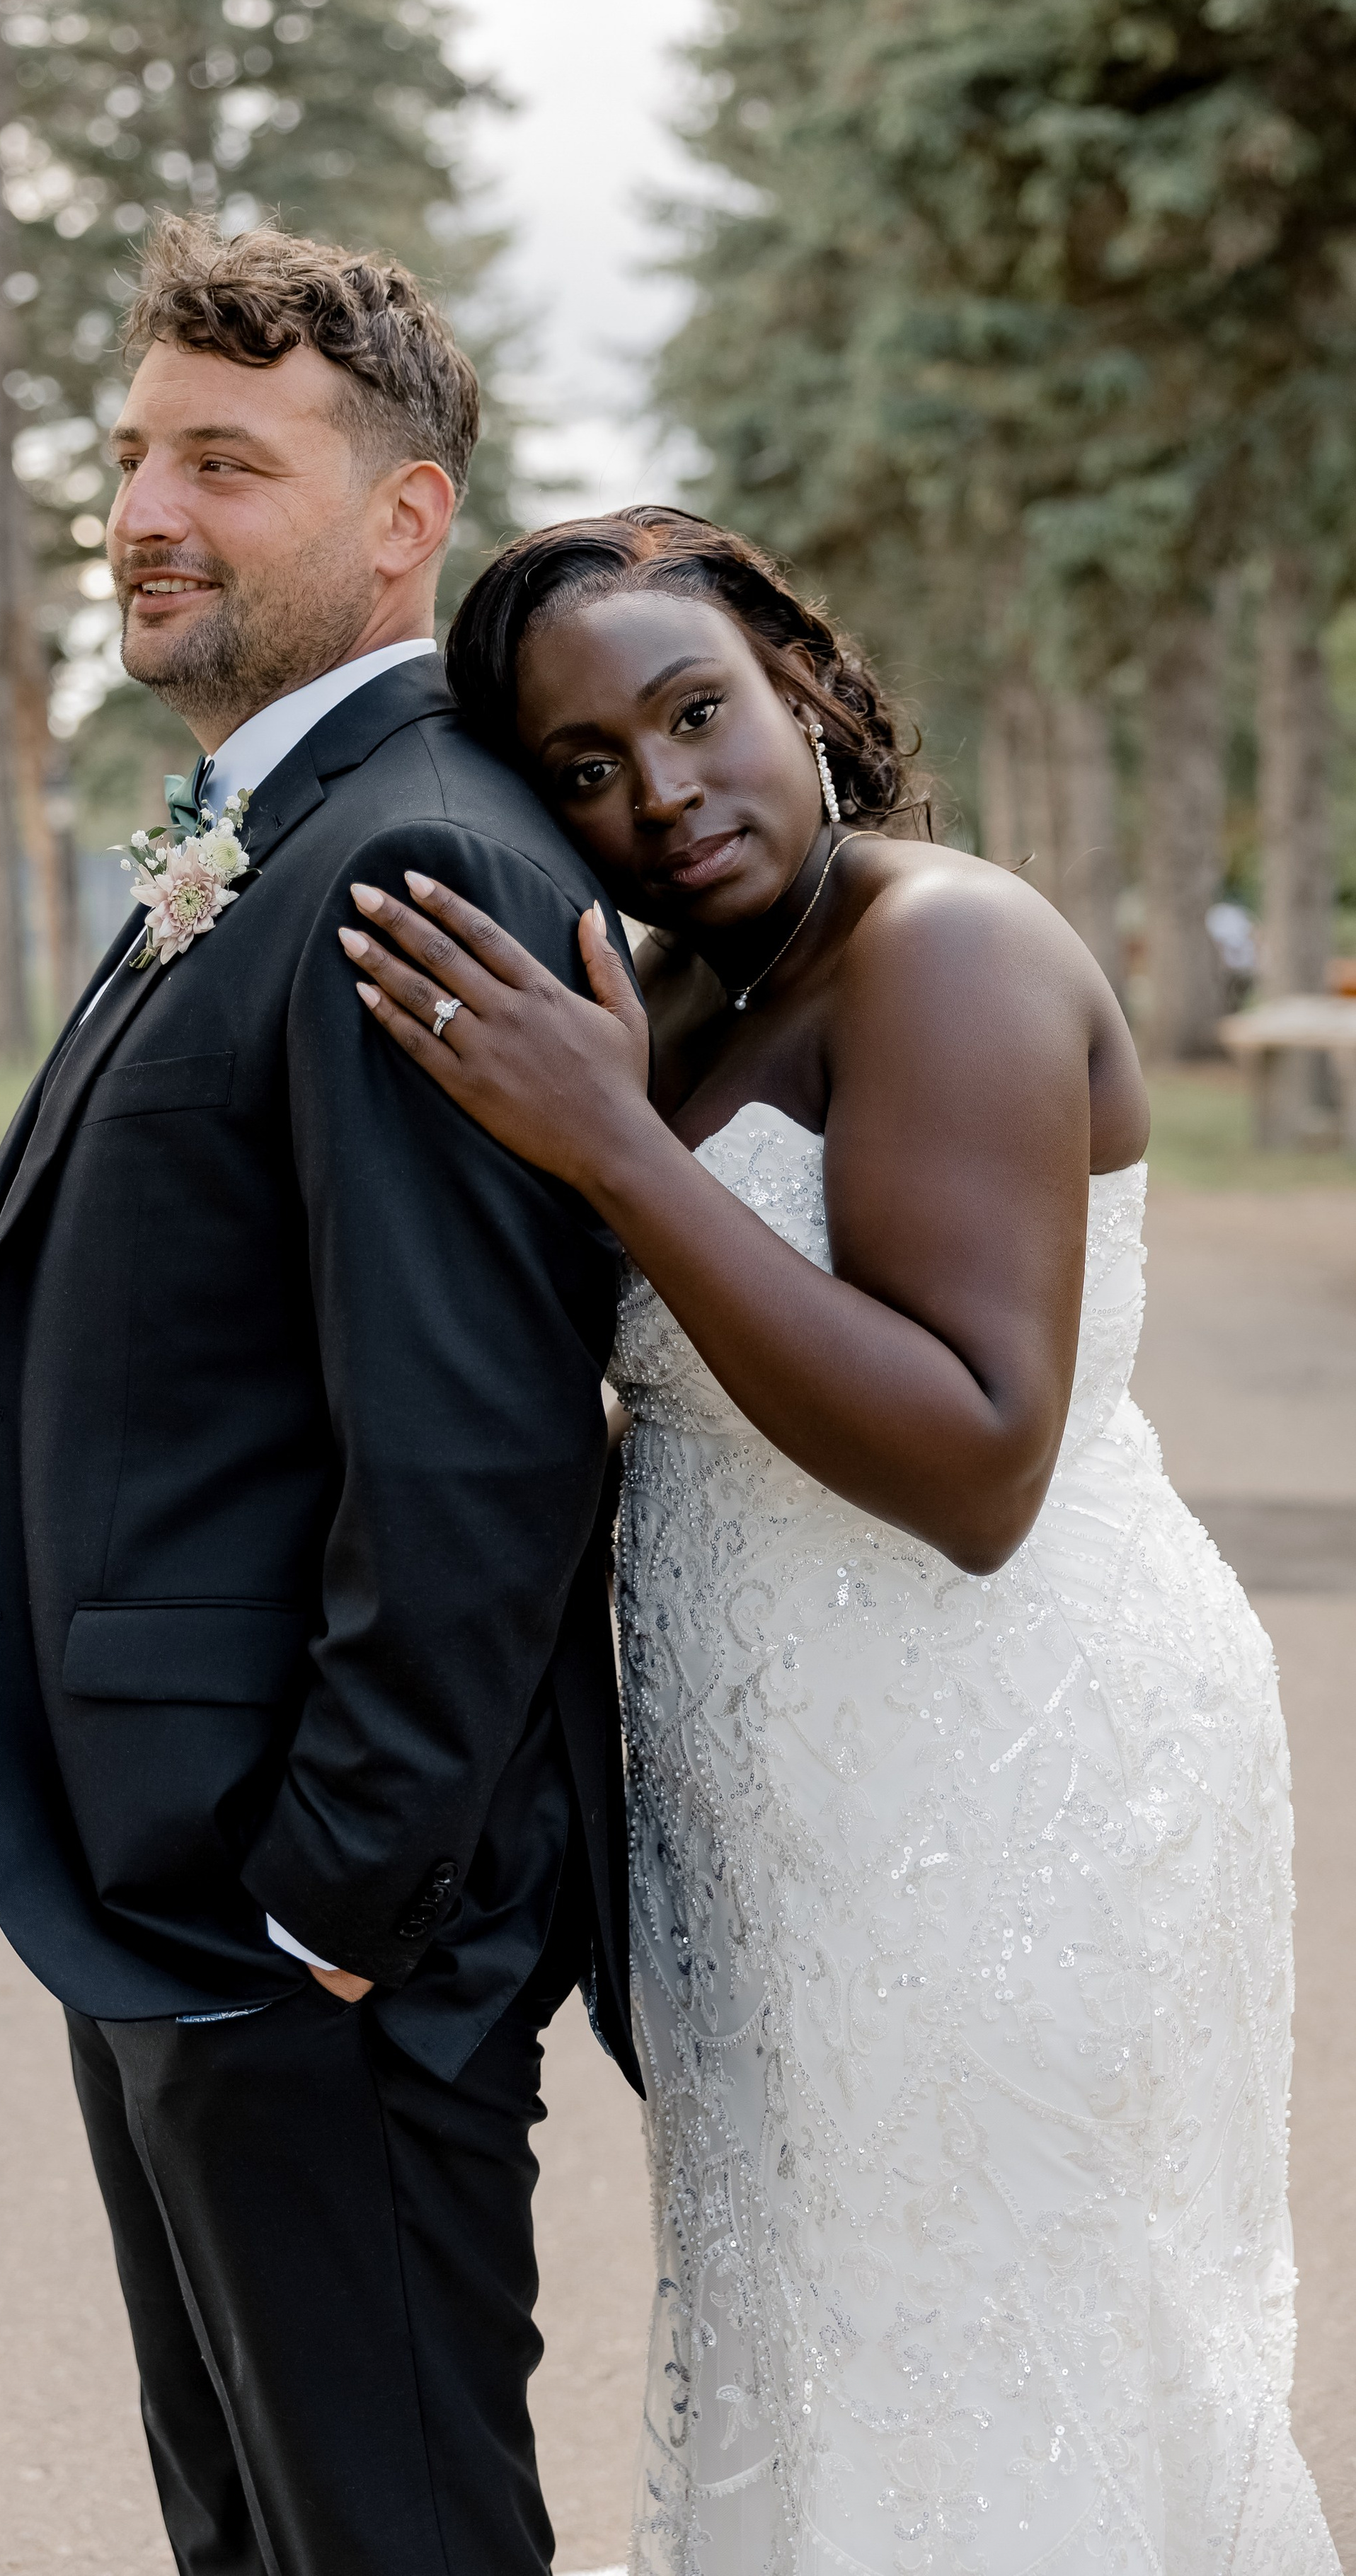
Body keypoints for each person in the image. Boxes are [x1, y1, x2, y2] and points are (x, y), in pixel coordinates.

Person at [338, 507, 1338, 2575]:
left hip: (1012, 1785)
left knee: (1003, 2347)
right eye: (585, 769)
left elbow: (979, 1463)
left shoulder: (942, 946)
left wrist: (611, 1150)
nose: (660, 792)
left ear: (799, 680)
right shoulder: (691, 998)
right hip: (791, 1818)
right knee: (832, 2342)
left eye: (694, 713)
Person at [0, 224, 639, 2576]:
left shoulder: (412, 848)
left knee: (387, 2538)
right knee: (257, 2534)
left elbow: (476, 1437)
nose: (147, 510)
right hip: (182, 1896)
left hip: (305, 1933)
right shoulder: (270, 826)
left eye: (226, 463)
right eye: (134, 454)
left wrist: (339, 1897)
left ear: (404, 518)